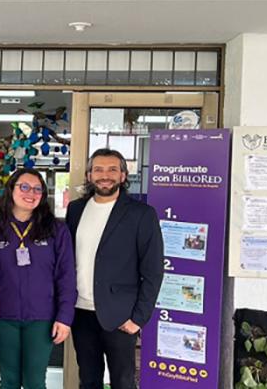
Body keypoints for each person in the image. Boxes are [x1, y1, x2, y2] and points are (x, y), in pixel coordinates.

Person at [65, 148, 164, 389]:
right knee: (88, 380)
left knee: (123, 381)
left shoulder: (142, 214)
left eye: (112, 169)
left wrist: (138, 319)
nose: (105, 175)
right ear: (89, 175)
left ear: (122, 175)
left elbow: (153, 270)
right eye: (98, 169)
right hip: (81, 312)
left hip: (121, 316)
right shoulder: (76, 209)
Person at [0, 169, 76, 389]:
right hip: (2, 316)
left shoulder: (56, 230)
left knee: (35, 381)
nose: (31, 193)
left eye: (37, 189)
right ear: (11, 189)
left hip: (42, 317)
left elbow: (67, 276)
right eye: (24, 187)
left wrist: (65, 317)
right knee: (9, 380)